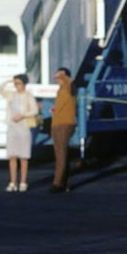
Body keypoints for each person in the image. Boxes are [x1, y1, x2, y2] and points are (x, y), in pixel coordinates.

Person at [0, 73, 39, 192]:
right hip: (12, 127)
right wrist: (8, 81)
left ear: (24, 84)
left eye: (19, 83)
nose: (16, 86)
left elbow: (34, 110)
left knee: (24, 157)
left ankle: (23, 182)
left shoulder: (28, 96)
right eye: (15, 84)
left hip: (24, 127)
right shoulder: (11, 95)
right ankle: (12, 182)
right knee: (12, 156)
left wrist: (22, 115)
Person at [49, 66, 76, 194]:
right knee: (60, 153)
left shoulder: (69, 87)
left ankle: (57, 183)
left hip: (66, 123)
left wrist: (63, 75)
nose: (57, 79)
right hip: (57, 123)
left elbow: (71, 81)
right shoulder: (60, 90)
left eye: (60, 77)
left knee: (61, 154)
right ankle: (65, 182)